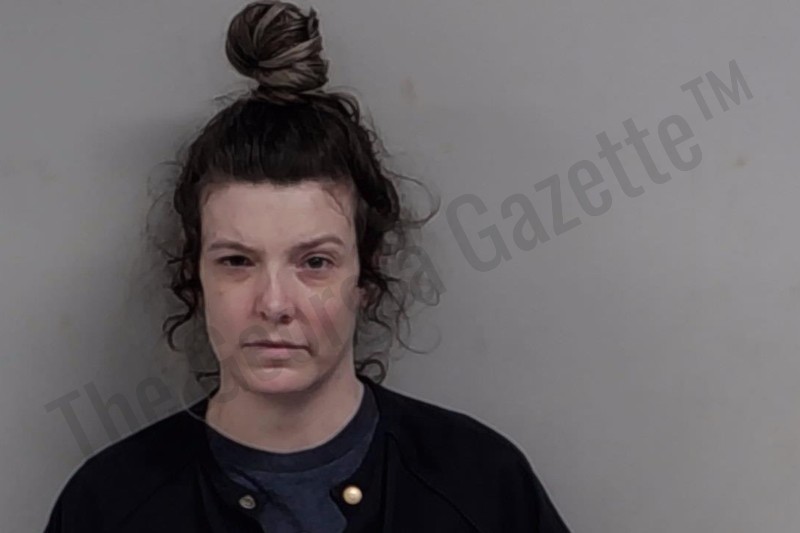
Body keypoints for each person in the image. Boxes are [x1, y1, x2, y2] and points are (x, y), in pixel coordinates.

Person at [44, 1, 571, 531]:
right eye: (237, 261)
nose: (274, 304)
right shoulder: (108, 506)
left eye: (315, 262)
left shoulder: (482, 487)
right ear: (195, 276)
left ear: (365, 277)